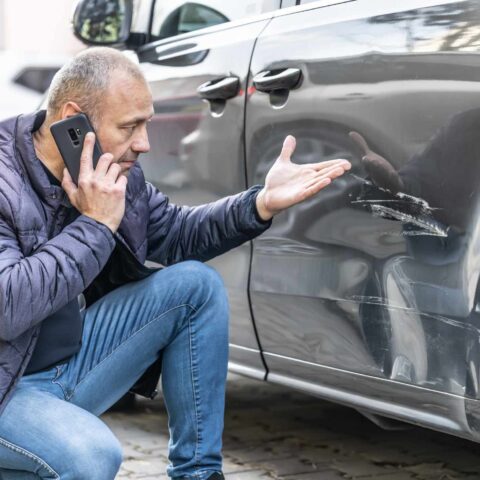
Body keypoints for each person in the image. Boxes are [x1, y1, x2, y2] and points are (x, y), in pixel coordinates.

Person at [0, 47, 351, 480]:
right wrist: (94, 224)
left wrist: (259, 203)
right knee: (90, 457)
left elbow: (178, 233)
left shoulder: (112, 172)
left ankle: (198, 475)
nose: (144, 143)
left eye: (146, 123)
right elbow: (8, 306)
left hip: (65, 368)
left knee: (194, 286)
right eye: (130, 126)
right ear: (73, 120)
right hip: (6, 391)